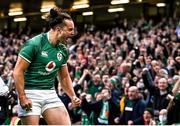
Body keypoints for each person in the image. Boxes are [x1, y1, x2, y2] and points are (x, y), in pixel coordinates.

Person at [13, 7, 81, 125]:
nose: (73, 33)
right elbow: (17, 72)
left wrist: (73, 96)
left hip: (49, 93)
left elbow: (64, 77)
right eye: (70, 29)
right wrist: (22, 97)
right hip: (30, 92)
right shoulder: (34, 44)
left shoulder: (63, 49)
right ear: (59, 30)